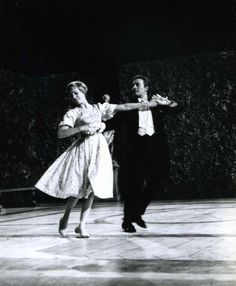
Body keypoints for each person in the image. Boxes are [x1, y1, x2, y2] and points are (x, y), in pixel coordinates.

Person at [35, 80, 162, 238]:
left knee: (92, 188)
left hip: (99, 149)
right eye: (71, 95)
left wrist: (148, 105)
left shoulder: (98, 108)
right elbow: (61, 133)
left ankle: (82, 225)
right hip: (82, 150)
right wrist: (80, 128)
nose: (75, 97)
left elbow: (125, 107)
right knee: (78, 188)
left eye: (77, 93)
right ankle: (65, 218)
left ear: (84, 92)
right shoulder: (73, 113)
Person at [116, 74, 179, 233]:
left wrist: (167, 102)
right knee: (134, 186)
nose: (134, 87)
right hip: (136, 150)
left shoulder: (156, 103)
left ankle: (138, 212)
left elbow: (178, 108)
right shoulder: (129, 106)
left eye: (137, 84)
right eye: (133, 85)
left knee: (157, 181)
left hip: (155, 148)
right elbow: (116, 124)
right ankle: (127, 221)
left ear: (146, 88)